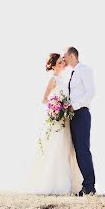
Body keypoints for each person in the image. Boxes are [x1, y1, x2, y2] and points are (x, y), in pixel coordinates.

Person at [27, 53, 83, 195]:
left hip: (65, 121)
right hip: (56, 120)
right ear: (52, 65)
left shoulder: (64, 80)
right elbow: (45, 99)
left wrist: (65, 107)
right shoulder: (53, 80)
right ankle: (51, 184)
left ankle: (67, 184)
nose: (61, 64)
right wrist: (56, 107)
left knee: (65, 149)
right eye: (58, 62)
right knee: (55, 147)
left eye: (61, 62)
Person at [63, 46, 96, 196]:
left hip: (81, 114)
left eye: (65, 56)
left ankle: (89, 186)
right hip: (73, 116)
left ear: (71, 56)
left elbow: (91, 93)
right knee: (77, 152)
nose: (64, 59)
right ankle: (85, 185)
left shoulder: (84, 70)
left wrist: (74, 107)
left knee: (83, 150)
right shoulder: (71, 73)